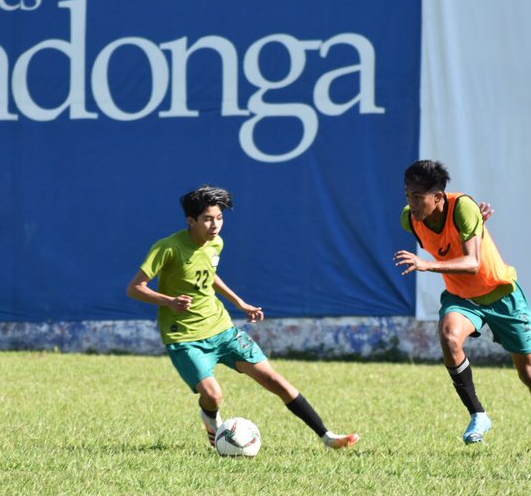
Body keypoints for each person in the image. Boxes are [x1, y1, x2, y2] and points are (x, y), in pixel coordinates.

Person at [128, 185, 360, 451]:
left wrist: (239, 302)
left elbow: (208, 273)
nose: (215, 225)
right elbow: (135, 288)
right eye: (207, 219)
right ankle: (210, 418)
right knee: (213, 395)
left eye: (219, 218)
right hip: (186, 337)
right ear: (191, 221)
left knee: (275, 381)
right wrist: (169, 301)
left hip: (222, 329)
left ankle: (328, 437)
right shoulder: (168, 248)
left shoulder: (216, 243)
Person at [393, 160, 531, 456]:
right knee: (449, 336)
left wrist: (427, 264)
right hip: (462, 297)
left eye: (418, 197)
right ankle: (478, 415)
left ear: (438, 196)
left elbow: (473, 263)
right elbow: (451, 243)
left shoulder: (463, 207)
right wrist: (473, 228)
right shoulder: (410, 219)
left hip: (501, 295)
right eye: (408, 195)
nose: (412, 203)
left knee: (530, 374)